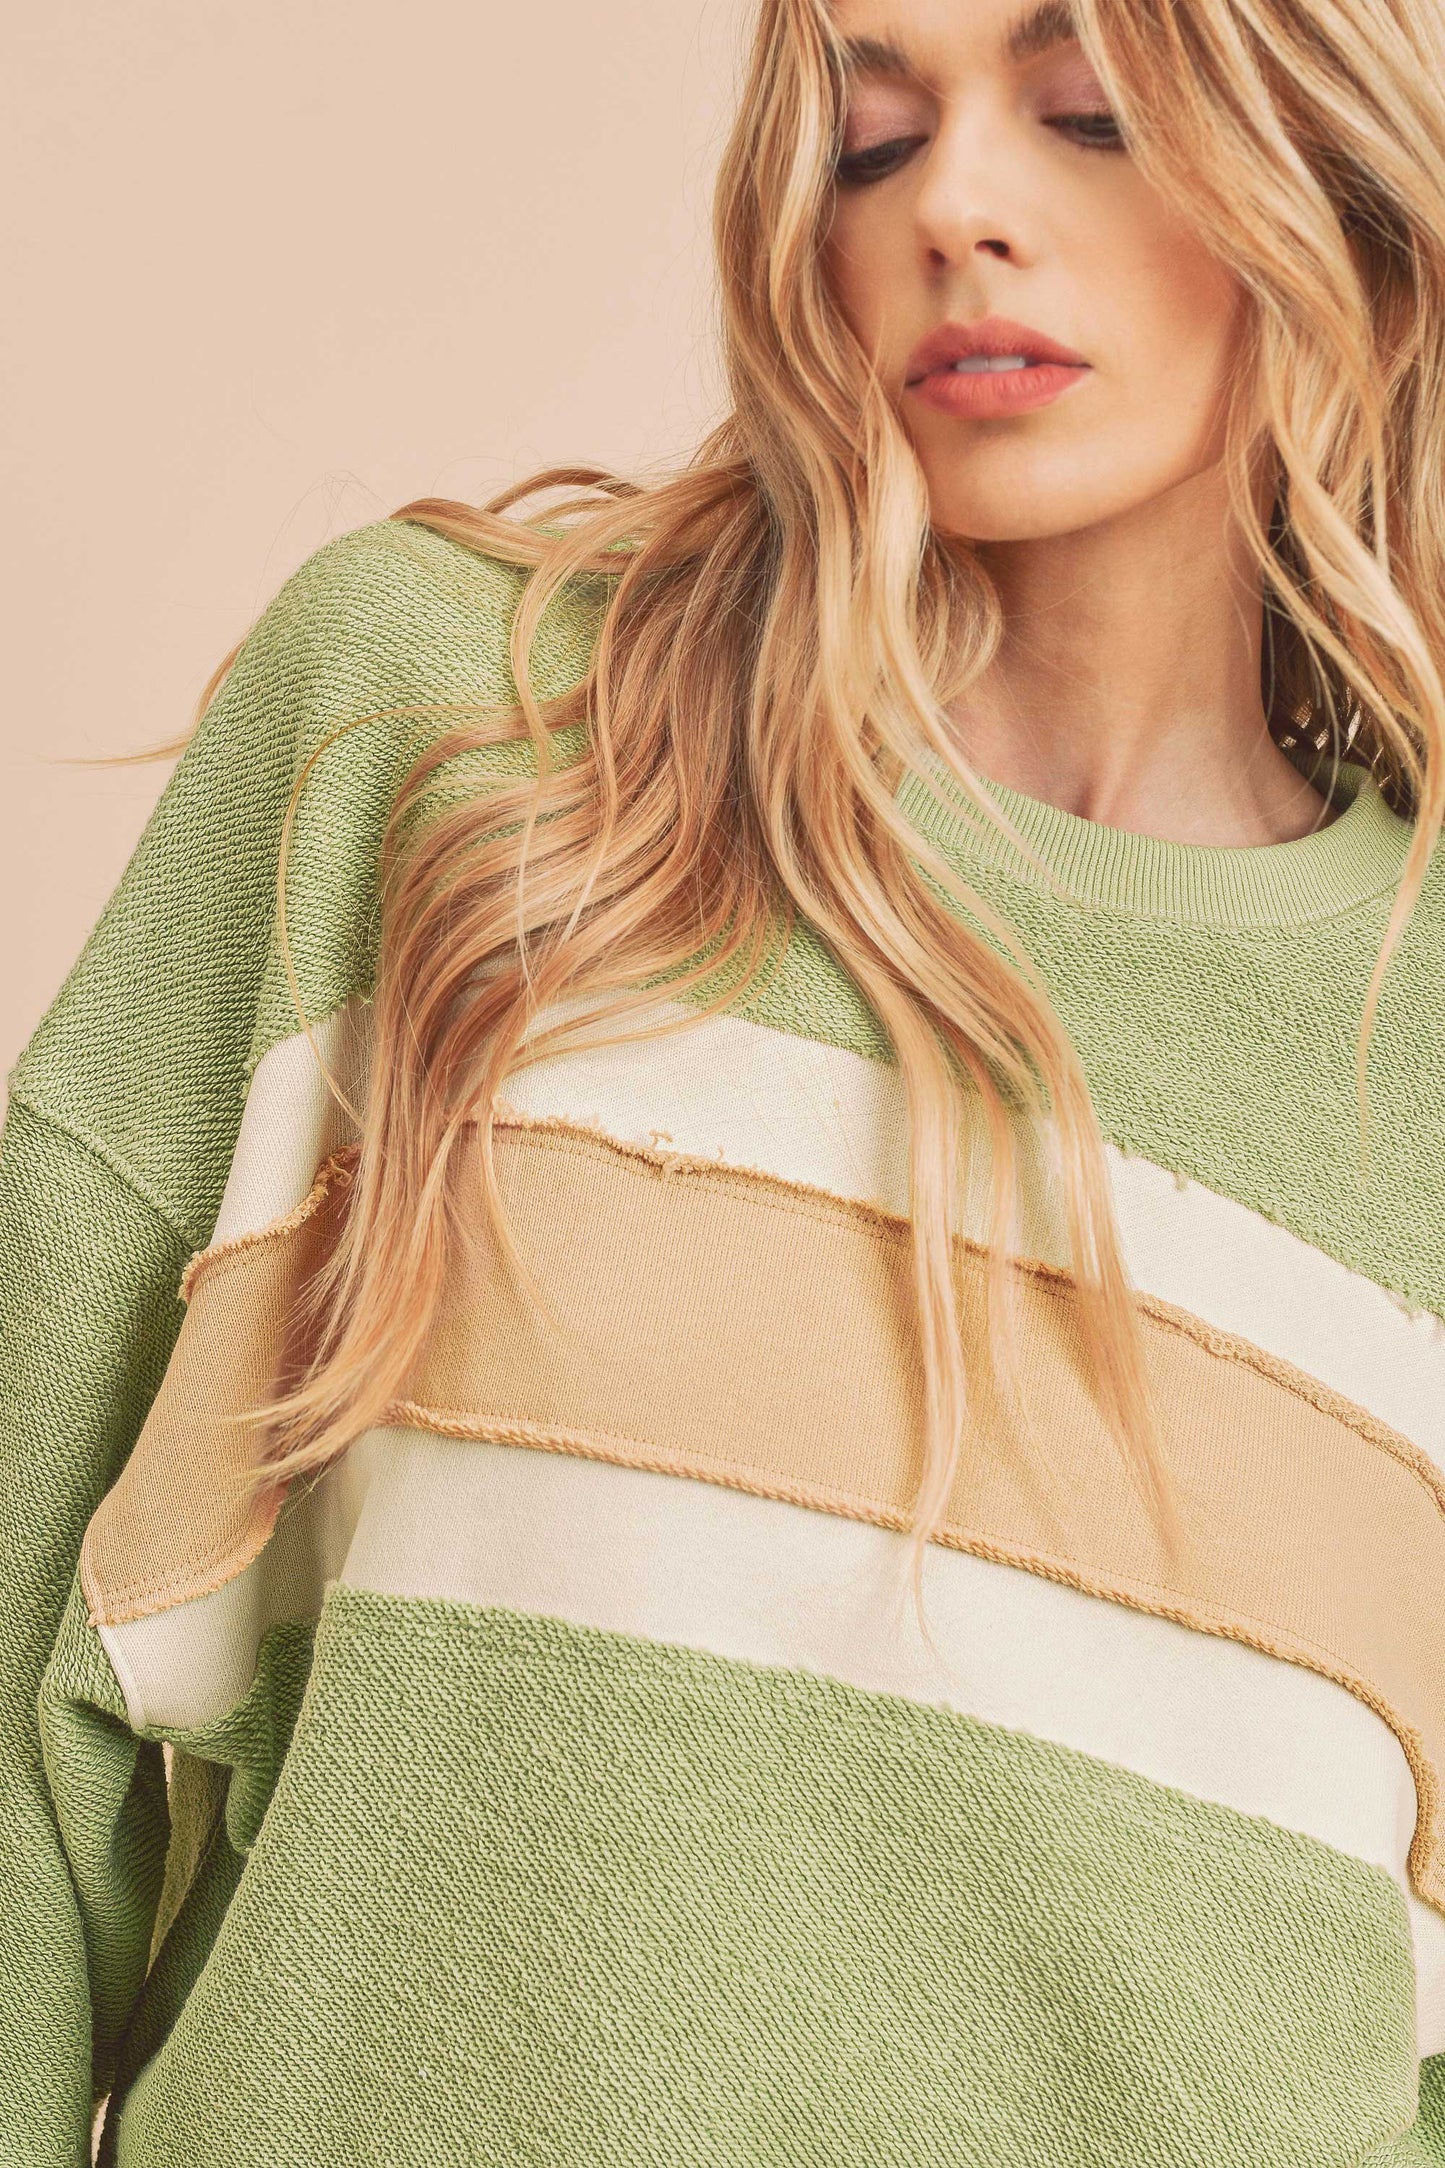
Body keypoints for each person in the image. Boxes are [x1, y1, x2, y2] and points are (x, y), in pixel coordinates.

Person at [5, 0, 1445, 2156]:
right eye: (869, 137)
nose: (957, 206)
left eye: (1086, 115)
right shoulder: (459, 748)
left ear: (1325, 173)